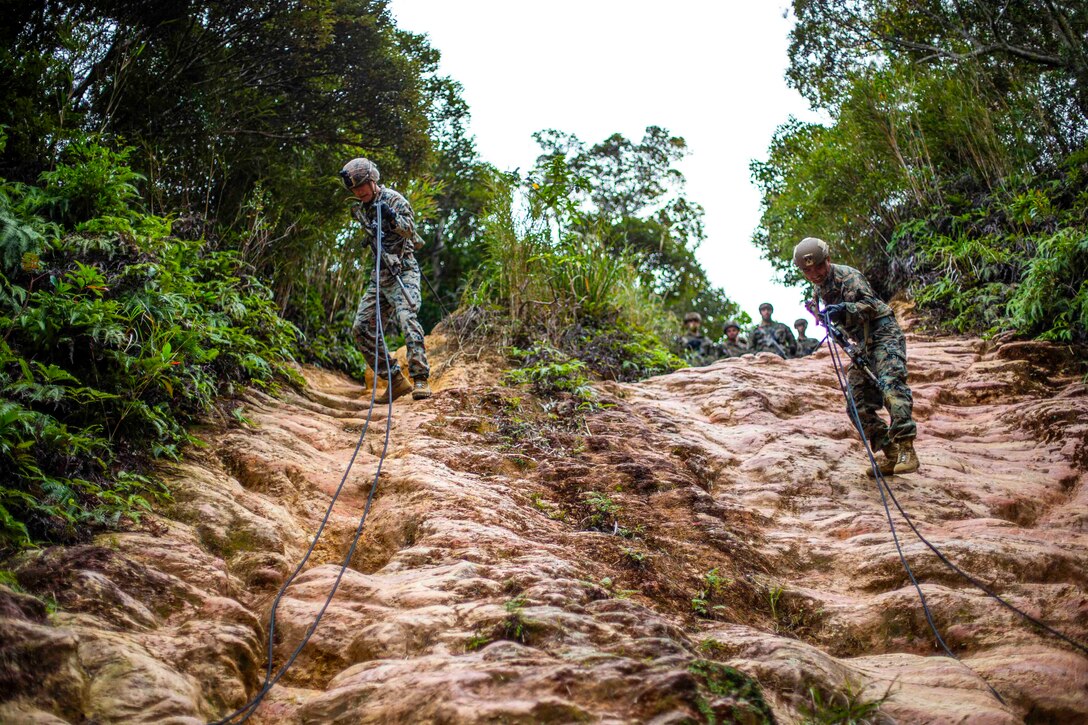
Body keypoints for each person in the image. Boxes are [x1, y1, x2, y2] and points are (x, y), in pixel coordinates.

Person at [793, 236, 918, 474]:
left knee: (891, 386)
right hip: (861, 343)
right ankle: (890, 453)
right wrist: (822, 318)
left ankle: (906, 449)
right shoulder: (818, 290)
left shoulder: (848, 276)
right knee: (856, 405)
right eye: (807, 270)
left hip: (883, 334)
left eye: (818, 266)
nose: (815, 273)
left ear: (827, 260)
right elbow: (837, 326)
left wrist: (843, 309)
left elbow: (869, 306)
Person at [340, 158, 431, 402]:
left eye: (361, 187)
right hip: (379, 274)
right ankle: (395, 380)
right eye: (354, 189)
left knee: (407, 317)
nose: (358, 192)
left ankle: (420, 378)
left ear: (372, 181)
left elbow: (409, 229)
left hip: (403, 269)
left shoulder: (393, 199)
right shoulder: (363, 206)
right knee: (361, 328)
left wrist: (392, 218)